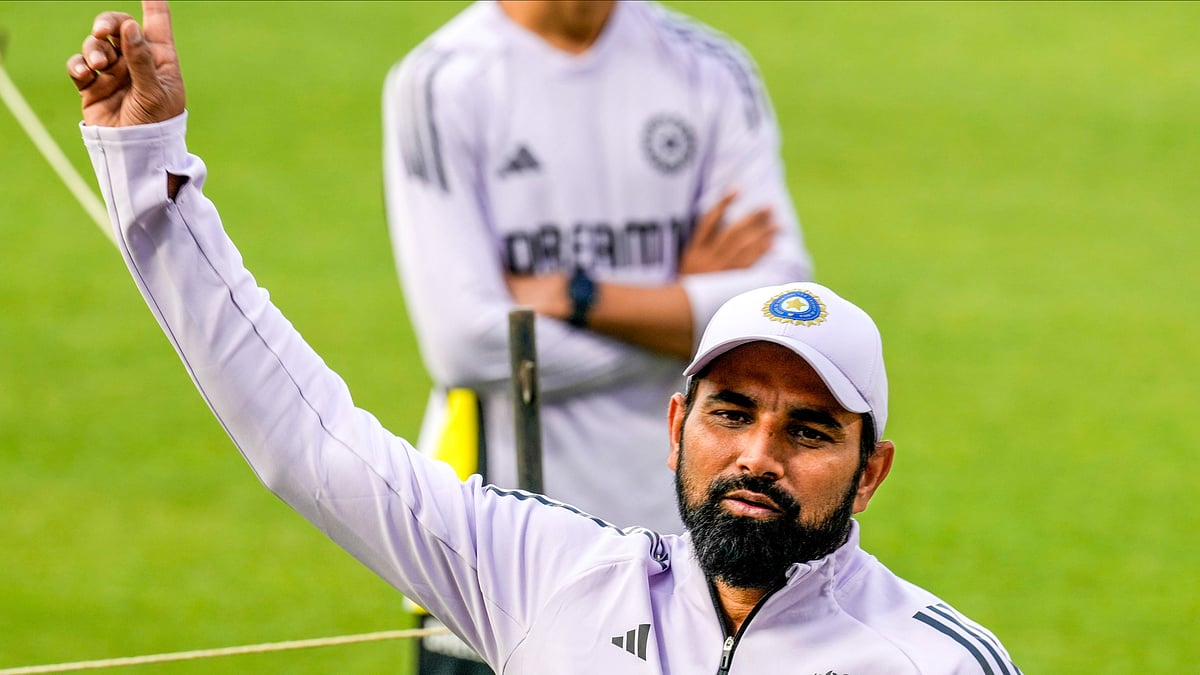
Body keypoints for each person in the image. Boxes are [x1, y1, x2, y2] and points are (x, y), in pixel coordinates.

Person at [68, 3, 1020, 673]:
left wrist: (560, 305)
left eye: (809, 430)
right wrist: (149, 164)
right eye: (731, 411)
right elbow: (309, 442)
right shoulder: (550, 576)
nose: (758, 455)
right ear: (679, 421)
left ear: (873, 468)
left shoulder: (935, 659)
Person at [385, 3, 813, 666]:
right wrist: (678, 311)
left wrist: (578, 299)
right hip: (493, 554)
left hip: (694, 551)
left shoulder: (711, 69)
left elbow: (777, 311)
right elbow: (464, 344)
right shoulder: (441, 82)